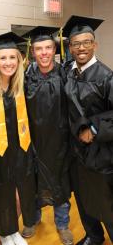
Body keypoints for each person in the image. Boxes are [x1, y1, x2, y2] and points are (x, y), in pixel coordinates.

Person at [63, 15, 113, 245]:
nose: (81, 48)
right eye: (76, 44)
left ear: (95, 44)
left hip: (101, 154)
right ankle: (94, 236)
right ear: (70, 47)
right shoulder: (68, 73)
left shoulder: (106, 77)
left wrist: (93, 127)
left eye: (86, 42)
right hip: (76, 153)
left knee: (106, 201)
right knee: (82, 200)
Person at [23, 26, 73, 245]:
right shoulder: (24, 76)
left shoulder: (66, 74)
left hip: (61, 143)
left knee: (60, 184)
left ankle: (62, 225)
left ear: (55, 49)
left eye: (48, 48)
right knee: (32, 183)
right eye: (39, 48)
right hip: (33, 142)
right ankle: (32, 220)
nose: (43, 53)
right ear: (32, 52)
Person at [0, 32, 36, 245]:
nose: (8, 63)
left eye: (12, 57)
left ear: (19, 59)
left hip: (19, 148)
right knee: (2, 192)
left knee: (20, 190)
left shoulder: (21, 86)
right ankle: (6, 233)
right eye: (3, 58)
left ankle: (14, 229)